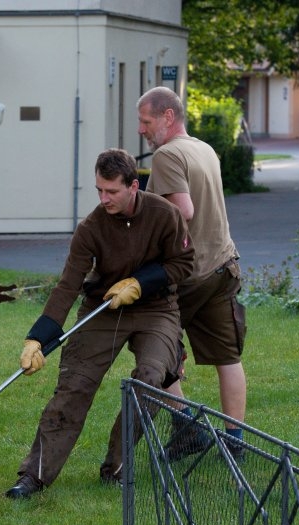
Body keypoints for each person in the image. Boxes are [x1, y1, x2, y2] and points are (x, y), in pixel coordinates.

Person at [5, 148, 193, 499]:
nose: (103, 199)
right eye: (99, 191)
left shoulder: (165, 215)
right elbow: (68, 285)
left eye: (111, 191)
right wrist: (38, 337)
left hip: (157, 308)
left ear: (133, 186)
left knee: (150, 379)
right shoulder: (90, 227)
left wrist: (141, 282)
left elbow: (184, 263)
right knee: (74, 385)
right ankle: (34, 476)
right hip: (103, 307)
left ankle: (116, 467)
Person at [122, 86, 247, 463]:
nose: (142, 130)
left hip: (192, 274)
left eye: (146, 121)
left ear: (167, 117)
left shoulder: (167, 155)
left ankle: (187, 425)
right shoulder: (204, 149)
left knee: (153, 343)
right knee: (228, 358)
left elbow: (183, 211)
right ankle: (236, 441)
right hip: (224, 265)